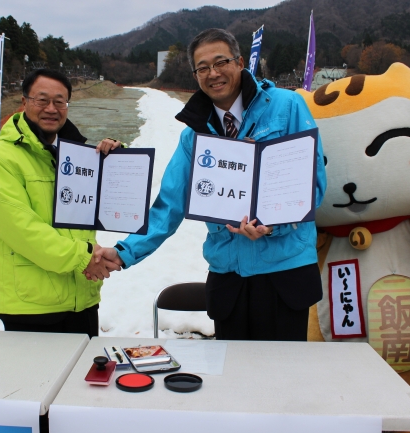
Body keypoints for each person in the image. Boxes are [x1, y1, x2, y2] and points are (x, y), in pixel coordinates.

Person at [97, 29, 327, 341]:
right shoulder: (194, 135)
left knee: (284, 380)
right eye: (202, 68)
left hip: (284, 273)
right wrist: (124, 252)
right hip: (228, 275)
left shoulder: (287, 107)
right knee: (231, 377)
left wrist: (272, 225)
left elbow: (312, 184)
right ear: (195, 74)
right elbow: (169, 205)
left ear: (241, 62)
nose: (213, 73)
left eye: (221, 62)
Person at [0, 69, 122, 337]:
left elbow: (108, 202)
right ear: (24, 103)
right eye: (42, 100)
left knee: (83, 378)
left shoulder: (78, 155)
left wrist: (114, 161)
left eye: (60, 101)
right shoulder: (1, 160)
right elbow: (22, 230)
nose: (51, 109)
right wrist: (84, 258)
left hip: (82, 298)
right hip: (32, 305)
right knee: (35, 380)